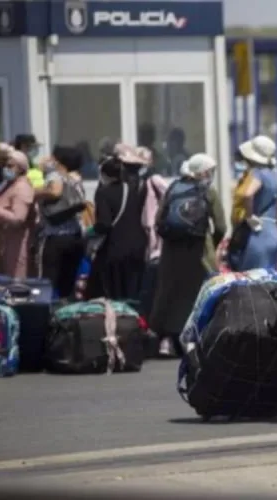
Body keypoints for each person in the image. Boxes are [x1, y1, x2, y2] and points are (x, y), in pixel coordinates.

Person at [148, 153, 227, 357]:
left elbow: (159, 219)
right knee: (200, 294)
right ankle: (196, 339)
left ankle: (165, 341)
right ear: (204, 172)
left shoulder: (173, 188)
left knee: (168, 293)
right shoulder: (209, 191)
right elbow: (221, 225)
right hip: (199, 250)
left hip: (172, 250)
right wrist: (213, 243)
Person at [89, 152, 147, 300]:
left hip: (115, 249)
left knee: (114, 292)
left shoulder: (103, 193)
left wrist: (89, 232)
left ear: (103, 174)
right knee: (133, 291)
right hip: (138, 246)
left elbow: (105, 224)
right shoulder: (132, 189)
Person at [34, 146, 86, 299]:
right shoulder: (75, 178)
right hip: (75, 236)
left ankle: (44, 319)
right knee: (68, 283)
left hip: (55, 236)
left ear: (57, 160)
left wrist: (36, 192)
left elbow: (55, 191)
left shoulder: (54, 175)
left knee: (46, 283)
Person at [228, 135, 277, 272]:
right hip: (274, 233)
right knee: (270, 279)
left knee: (252, 281)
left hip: (258, 234)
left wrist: (249, 216)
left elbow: (248, 194)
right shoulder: (274, 176)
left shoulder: (257, 173)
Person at [0, 150, 37, 278]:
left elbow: (18, 218)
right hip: (6, 239)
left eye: (10, 166)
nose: (6, 169)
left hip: (18, 241)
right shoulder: (9, 185)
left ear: (21, 168)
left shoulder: (22, 187)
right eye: (5, 166)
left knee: (17, 279)